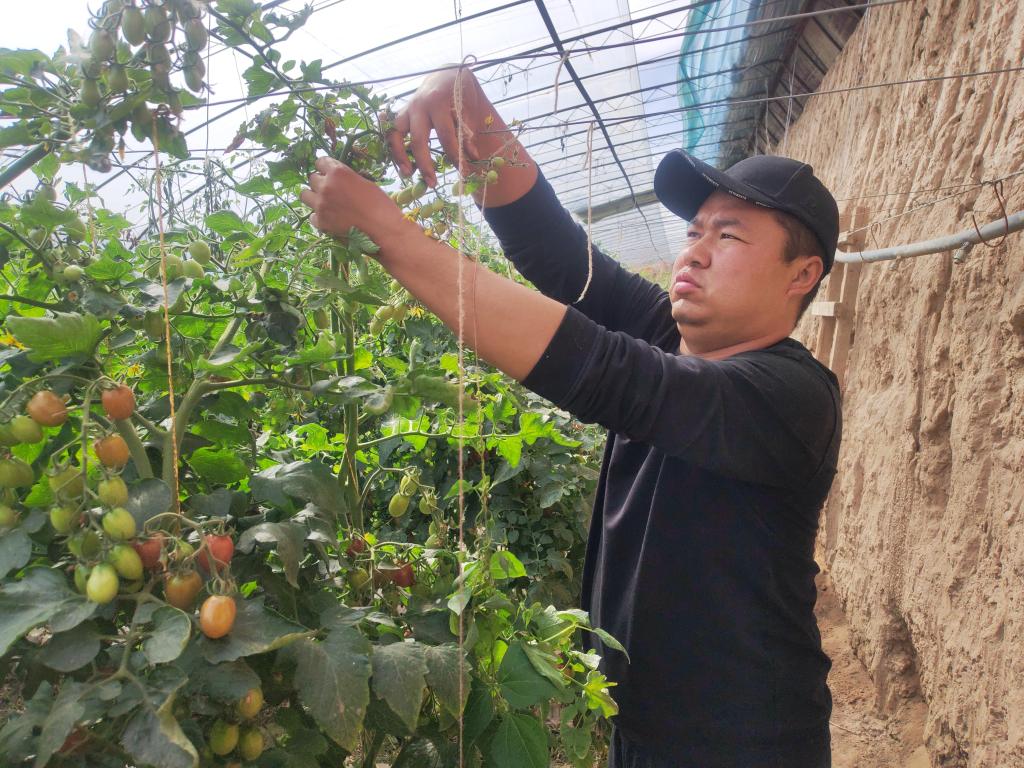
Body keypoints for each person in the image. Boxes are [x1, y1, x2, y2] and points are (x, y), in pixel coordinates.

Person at [301, 67, 842, 768]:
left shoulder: (789, 397)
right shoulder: (673, 337)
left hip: (745, 745)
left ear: (801, 275)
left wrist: (389, 234)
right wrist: (477, 119)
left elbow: (606, 374)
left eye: (729, 238)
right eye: (694, 231)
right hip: (640, 732)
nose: (694, 252)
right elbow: (564, 261)